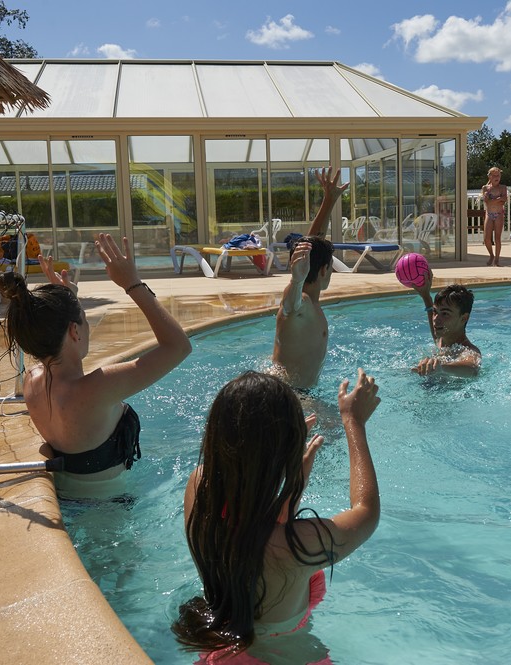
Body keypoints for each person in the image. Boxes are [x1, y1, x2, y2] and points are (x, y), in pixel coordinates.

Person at [173, 369, 381, 661]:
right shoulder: (299, 545)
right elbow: (367, 512)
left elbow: (255, 537)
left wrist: (290, 483)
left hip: (219, 650)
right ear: (285, 455)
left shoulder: (199, 488)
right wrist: (354, 422)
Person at [0, 233, 192, 497]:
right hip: (111, 509)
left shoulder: (32, 381)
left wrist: (66, 301)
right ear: (74, 331)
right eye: (85, 321)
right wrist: (133, 283)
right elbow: (178, 346)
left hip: (68, 498)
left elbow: (67, 359)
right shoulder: (99, 387)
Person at [271, 168, 347, 390]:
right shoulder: (302, 302)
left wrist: (329, 201)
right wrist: (295, 280)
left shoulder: (310, 302)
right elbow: (289, 307)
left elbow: (313, 243)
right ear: (324, 270)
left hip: (296, 391)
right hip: (288, 395)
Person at [411, 272, 481, 376]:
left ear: (464, 318)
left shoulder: (469, 351)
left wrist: (441, 367)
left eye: (445, 314)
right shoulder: (441, 340)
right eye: (435, 312)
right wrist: (426, 296)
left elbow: (472, 368)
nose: (435, 319)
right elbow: (432, 315)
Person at [481, 166, 508, 266]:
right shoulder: (486, 188)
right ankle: (491, 255)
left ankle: (497, 259)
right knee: (486, 238)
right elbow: (487, 201)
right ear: (490, 177)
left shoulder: (503, 187)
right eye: (494, 175)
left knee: (497, 238)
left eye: (498, 176)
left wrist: (494, 200)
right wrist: (498, 199)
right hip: (489, 214)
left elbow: (504, 199)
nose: (497, 177)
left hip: (499, 214)